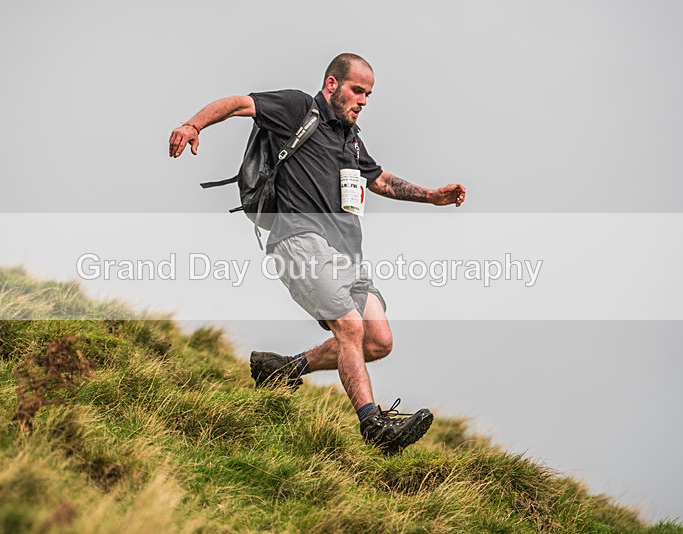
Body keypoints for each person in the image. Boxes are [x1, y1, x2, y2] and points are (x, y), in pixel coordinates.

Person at [169, 53, 466, 454]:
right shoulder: (297, 109)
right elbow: (239, 104)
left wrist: (430, 196)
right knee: (350, 328)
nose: (363, 100)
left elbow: (378, 179)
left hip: (347, 254)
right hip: (298, 240)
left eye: (368, 94)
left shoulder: (350, 137)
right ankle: (373, 424)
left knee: (378, 341)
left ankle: (284, 370)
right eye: (357, 90)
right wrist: (192, 125)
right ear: (332, 84)